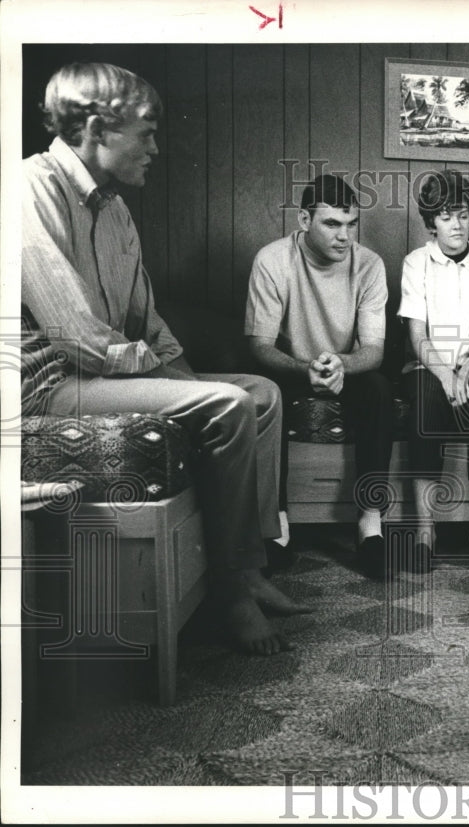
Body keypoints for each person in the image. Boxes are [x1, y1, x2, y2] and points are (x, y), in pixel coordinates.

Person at [21, 62, 309, 656]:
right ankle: (230, 591)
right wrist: (182, 385)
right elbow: (76, 337)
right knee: (228, 403)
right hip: (50, 383)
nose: (156, 147)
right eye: (146, 132)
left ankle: (250, 566)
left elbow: (149, 322)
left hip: (105, 374)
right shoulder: (30, 188)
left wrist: (184, 379)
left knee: (260, 394)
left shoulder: (116, 207)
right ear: (99, 128)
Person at [245, 173, 394, 576]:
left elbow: (374, 351)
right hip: (291, 368)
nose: (344, 236)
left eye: (351, 224)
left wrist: (341, 365)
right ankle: (278, 529)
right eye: (331, 223)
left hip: (346, 368)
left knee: (379, 389)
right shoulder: (272, 260)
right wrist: (305, 369)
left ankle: (370, 524)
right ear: (304, 220)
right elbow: (259, 347)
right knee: (265, 392)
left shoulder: (369, 265)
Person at [397, 169, 469, 569]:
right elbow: (418, 336)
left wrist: (464, 373)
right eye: (446, 216)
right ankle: (425, 531)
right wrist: (446, 374)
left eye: (462, 214)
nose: (457, 224)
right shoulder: (415, 263)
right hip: (428, 365)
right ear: (431, 223)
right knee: (427, 401)